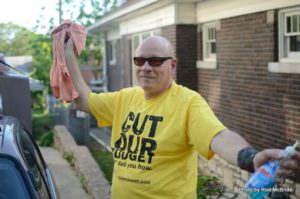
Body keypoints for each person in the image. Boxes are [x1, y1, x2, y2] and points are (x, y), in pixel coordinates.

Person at [63, 36, 300, 199]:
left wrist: (251, 157)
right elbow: (83, 100)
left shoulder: (188, 102)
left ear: (173, 65)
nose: (145, 67)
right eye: (139, 60)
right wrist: (67, 53)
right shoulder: (124, 98)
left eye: (155, 61)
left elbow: (218, 137)